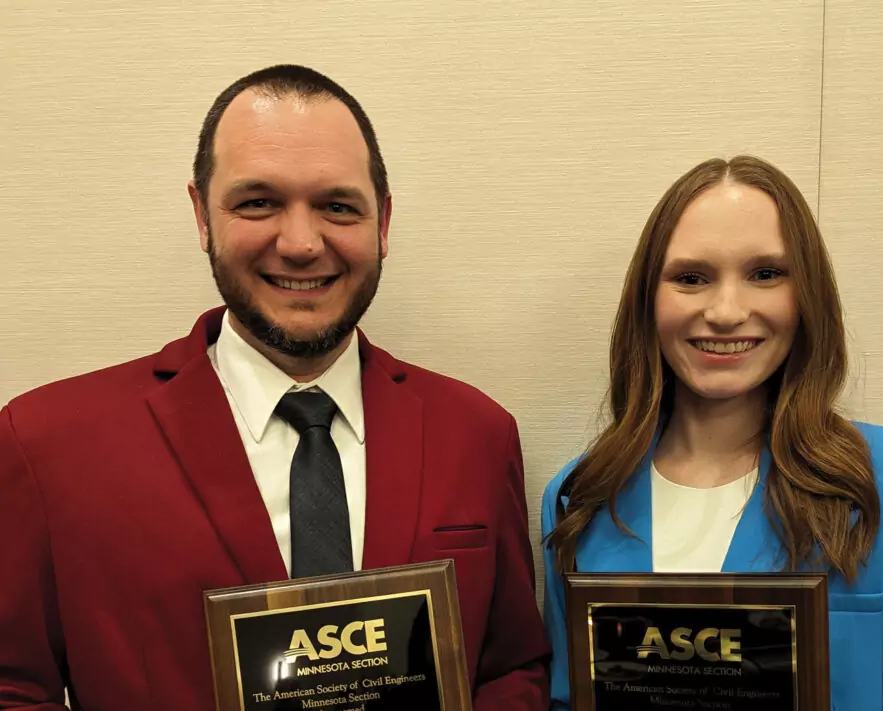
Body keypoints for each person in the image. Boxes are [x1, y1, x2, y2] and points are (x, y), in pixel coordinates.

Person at [0, 64, 550, 710]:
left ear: (383, 223)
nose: (300, 242)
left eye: (337, 206)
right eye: (258, 202)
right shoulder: (47, 443)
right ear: (203, 215)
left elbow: (511, 669)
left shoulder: (476, 432)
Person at [540, 155, 883, 710]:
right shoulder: (582, 495)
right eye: (691, 278)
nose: (726, 312)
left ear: (807, 298)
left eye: (766, 274)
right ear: (647, 300)